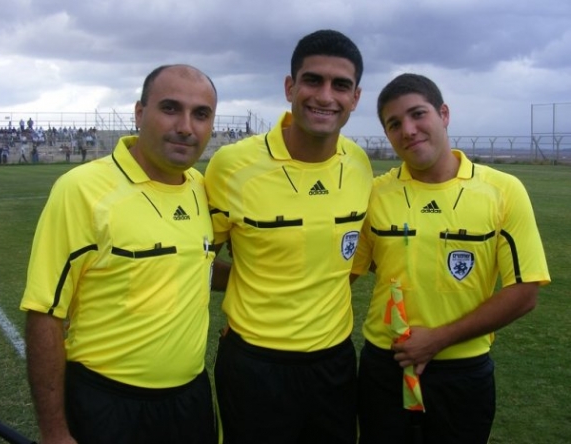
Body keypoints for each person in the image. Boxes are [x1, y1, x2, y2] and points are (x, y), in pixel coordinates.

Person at [20, 64, 219, 444]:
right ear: (140, 113)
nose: (185, 127)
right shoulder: (81, 190)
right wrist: (55, 432)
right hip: (108, 403)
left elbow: (193, 264)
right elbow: (45, 311)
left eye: (201, 114)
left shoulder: (201, 187)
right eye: (170, 108)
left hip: (190, 399)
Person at [351, 73, 551, 444]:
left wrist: (438, 338)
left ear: (443, 114)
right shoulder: (375, 194)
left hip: (462, 373)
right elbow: (346, 271)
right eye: (394, 124)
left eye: (418, 114)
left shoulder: (503, 190)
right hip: (385, 367)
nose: (408, 130)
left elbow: (525, 292)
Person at [205, 29, 372, 444]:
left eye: (341, 85)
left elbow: (347, 260)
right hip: (254, 365)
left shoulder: (359, 163)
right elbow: (195, 261)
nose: (325, 96)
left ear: (355, 97)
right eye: (313, 80)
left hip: (334, 363)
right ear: (289, 87)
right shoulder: (232, 165)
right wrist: (253, 282)